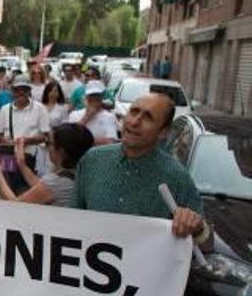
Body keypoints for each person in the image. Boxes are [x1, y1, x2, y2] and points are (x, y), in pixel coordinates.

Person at [71, 93, 208, 245]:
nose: (135, 122)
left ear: (163, 132)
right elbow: (72, 218)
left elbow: (206, 244)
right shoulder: (92, 160)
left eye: (148, 117)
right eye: (134, 112)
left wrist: (197, 227)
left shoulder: (177, 177)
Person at [0, 123, 93, 206]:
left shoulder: (57, 182)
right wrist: (21, 163)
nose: (47, 147)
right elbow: (41, 186)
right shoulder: (84, 173)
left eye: (49, 143)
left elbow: (16, 205)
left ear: (61, 151)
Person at [0, 75, 51, 193]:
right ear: (12, 91)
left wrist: (24, 141)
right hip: (8, 156)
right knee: (8, 188)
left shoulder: (39, 108)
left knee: (30, 189)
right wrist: (7, 141)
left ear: (29, 91)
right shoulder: (5, 109)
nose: (21, 92)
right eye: (17, 90)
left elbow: (45, 135)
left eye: (24, 89)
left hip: (30, 156)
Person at [68, 80, 119, 145]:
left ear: (102, 97)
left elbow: (111, 141)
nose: (94, 99)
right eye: (91, 96)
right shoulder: (74, 115)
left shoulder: (109, 117)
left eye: (97, 96)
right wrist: (87, 117)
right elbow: (70, 138)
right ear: (86, 97)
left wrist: (83, 142)